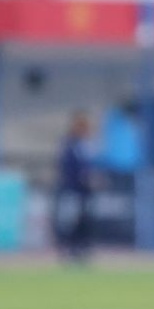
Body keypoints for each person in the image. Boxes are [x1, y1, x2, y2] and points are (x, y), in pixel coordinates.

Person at [53, 110, 96, 262]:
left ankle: (81, 250)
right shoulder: (69, 145)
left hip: (85, 192)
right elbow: (67, 167)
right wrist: (80, 179)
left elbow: (89, 167)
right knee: (70, 221)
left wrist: (92, 179)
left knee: (84, 221)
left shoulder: (87, 146)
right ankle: (68, 251)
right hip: (71, 189)